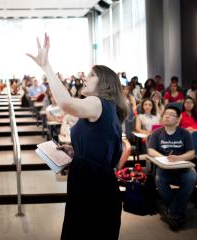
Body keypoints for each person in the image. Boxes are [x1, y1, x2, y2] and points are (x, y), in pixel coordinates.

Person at [27, 33, 127, 240]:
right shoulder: (101, 107)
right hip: (87, 182)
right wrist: (75, 151)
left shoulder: (98, 102)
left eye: (91, 75)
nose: (85, 78)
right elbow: (98, 144)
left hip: (95, 189)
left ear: (104, 83)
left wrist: (46, 66)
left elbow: (65, 103)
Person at [147, 105, 196, 230]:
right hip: (164, 168)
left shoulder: (185, 133)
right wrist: (164, 159)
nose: (167, 116)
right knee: (159, 179)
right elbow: (151, 150)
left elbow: (191, 153)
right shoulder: (157, 133)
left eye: (171, 114)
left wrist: (178, 158)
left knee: (191, 177)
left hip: (182, 167)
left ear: (178, 119)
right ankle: (178, 212)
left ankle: (172, 212)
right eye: (165, 114)